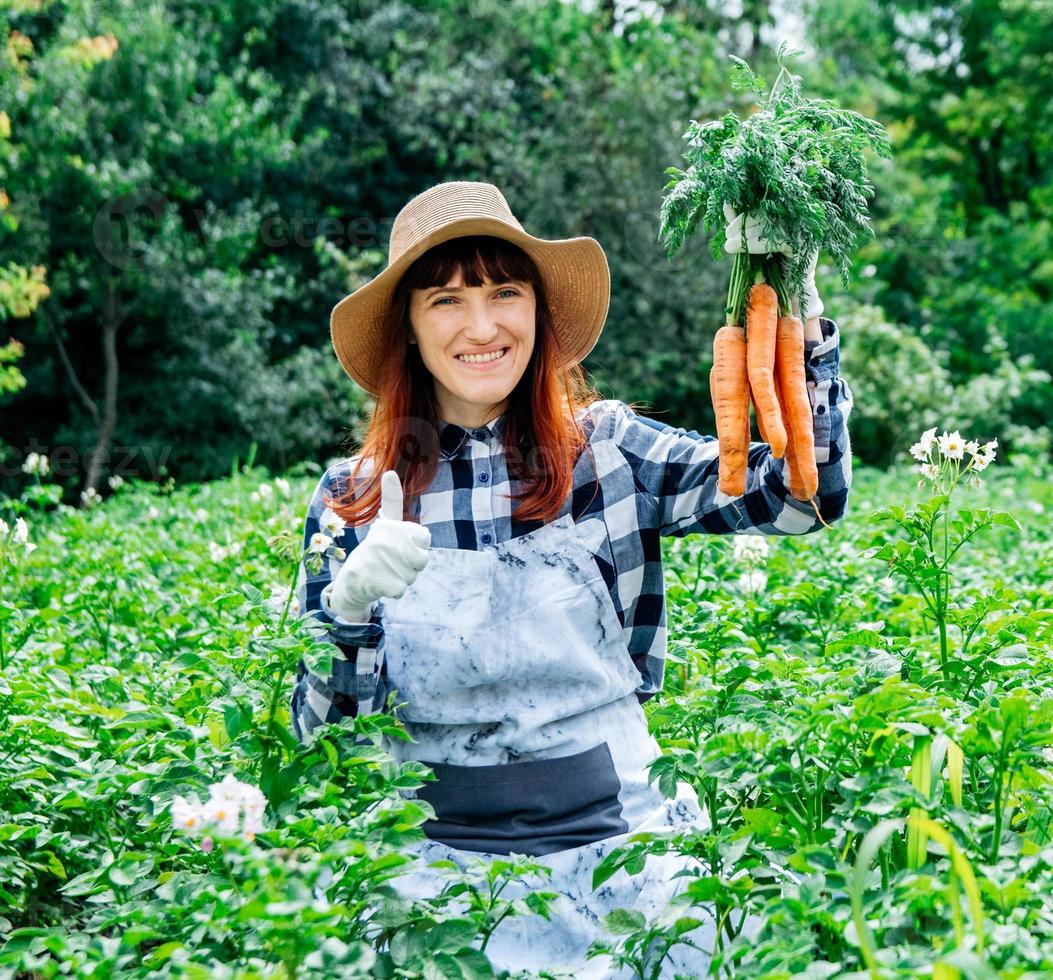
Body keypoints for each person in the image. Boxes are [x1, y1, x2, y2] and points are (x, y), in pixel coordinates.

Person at [288, 180, 853, 976]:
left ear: (537, 313)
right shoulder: (352, 497)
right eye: (446, 300)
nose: (482, 326)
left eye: (505, 292)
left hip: (623, 849)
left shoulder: (611, 452)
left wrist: (800, 324)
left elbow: (805, 499)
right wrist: (349, 607)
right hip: (433, 872)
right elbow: (318, 742)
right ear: (410, 331)